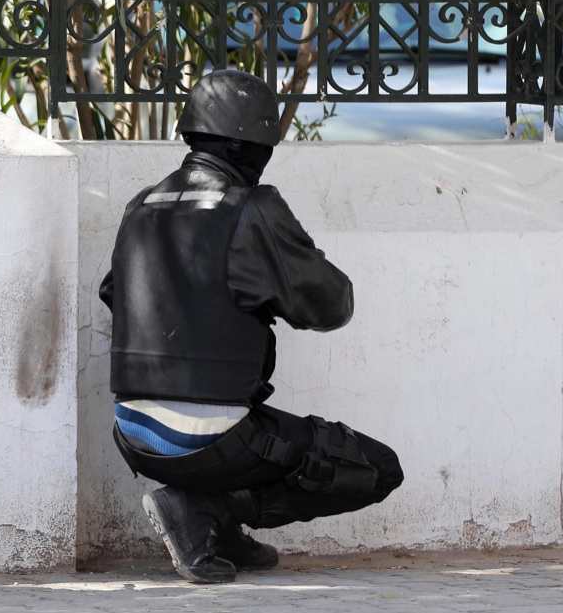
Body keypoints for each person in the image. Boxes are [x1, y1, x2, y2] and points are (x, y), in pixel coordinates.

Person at [98, 70, 404, 584]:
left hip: (131, 434)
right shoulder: (250, 208)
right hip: (209, 437)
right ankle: (210, 512)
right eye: (265, 146)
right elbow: (331, 305)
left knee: (256, 429)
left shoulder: (141, 205)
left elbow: (114, 292)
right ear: (246, 145)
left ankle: (214, 525)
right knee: (375, 468)